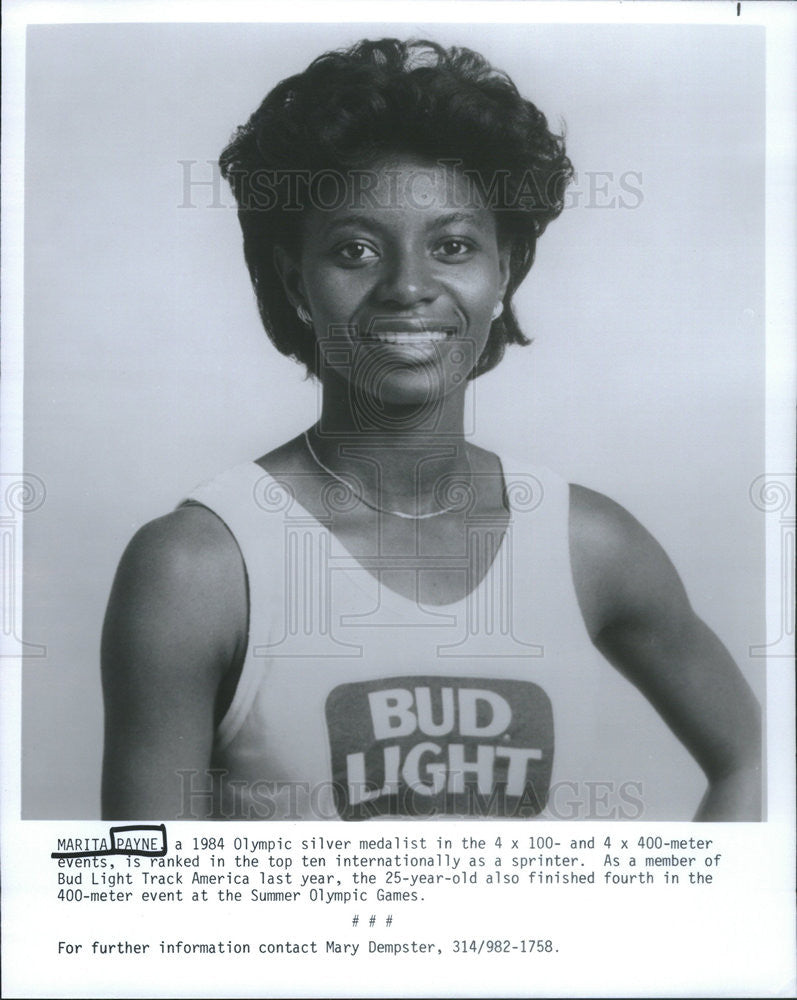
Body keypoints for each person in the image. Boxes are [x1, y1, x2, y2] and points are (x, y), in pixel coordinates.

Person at [101, 38, 761, 822]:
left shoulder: (589, 545)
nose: (409, 287)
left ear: (504, 271)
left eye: (451, 246)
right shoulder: (199, 568)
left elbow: (755, 760)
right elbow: (138, 895)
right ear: (294, 281)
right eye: (354, 250)